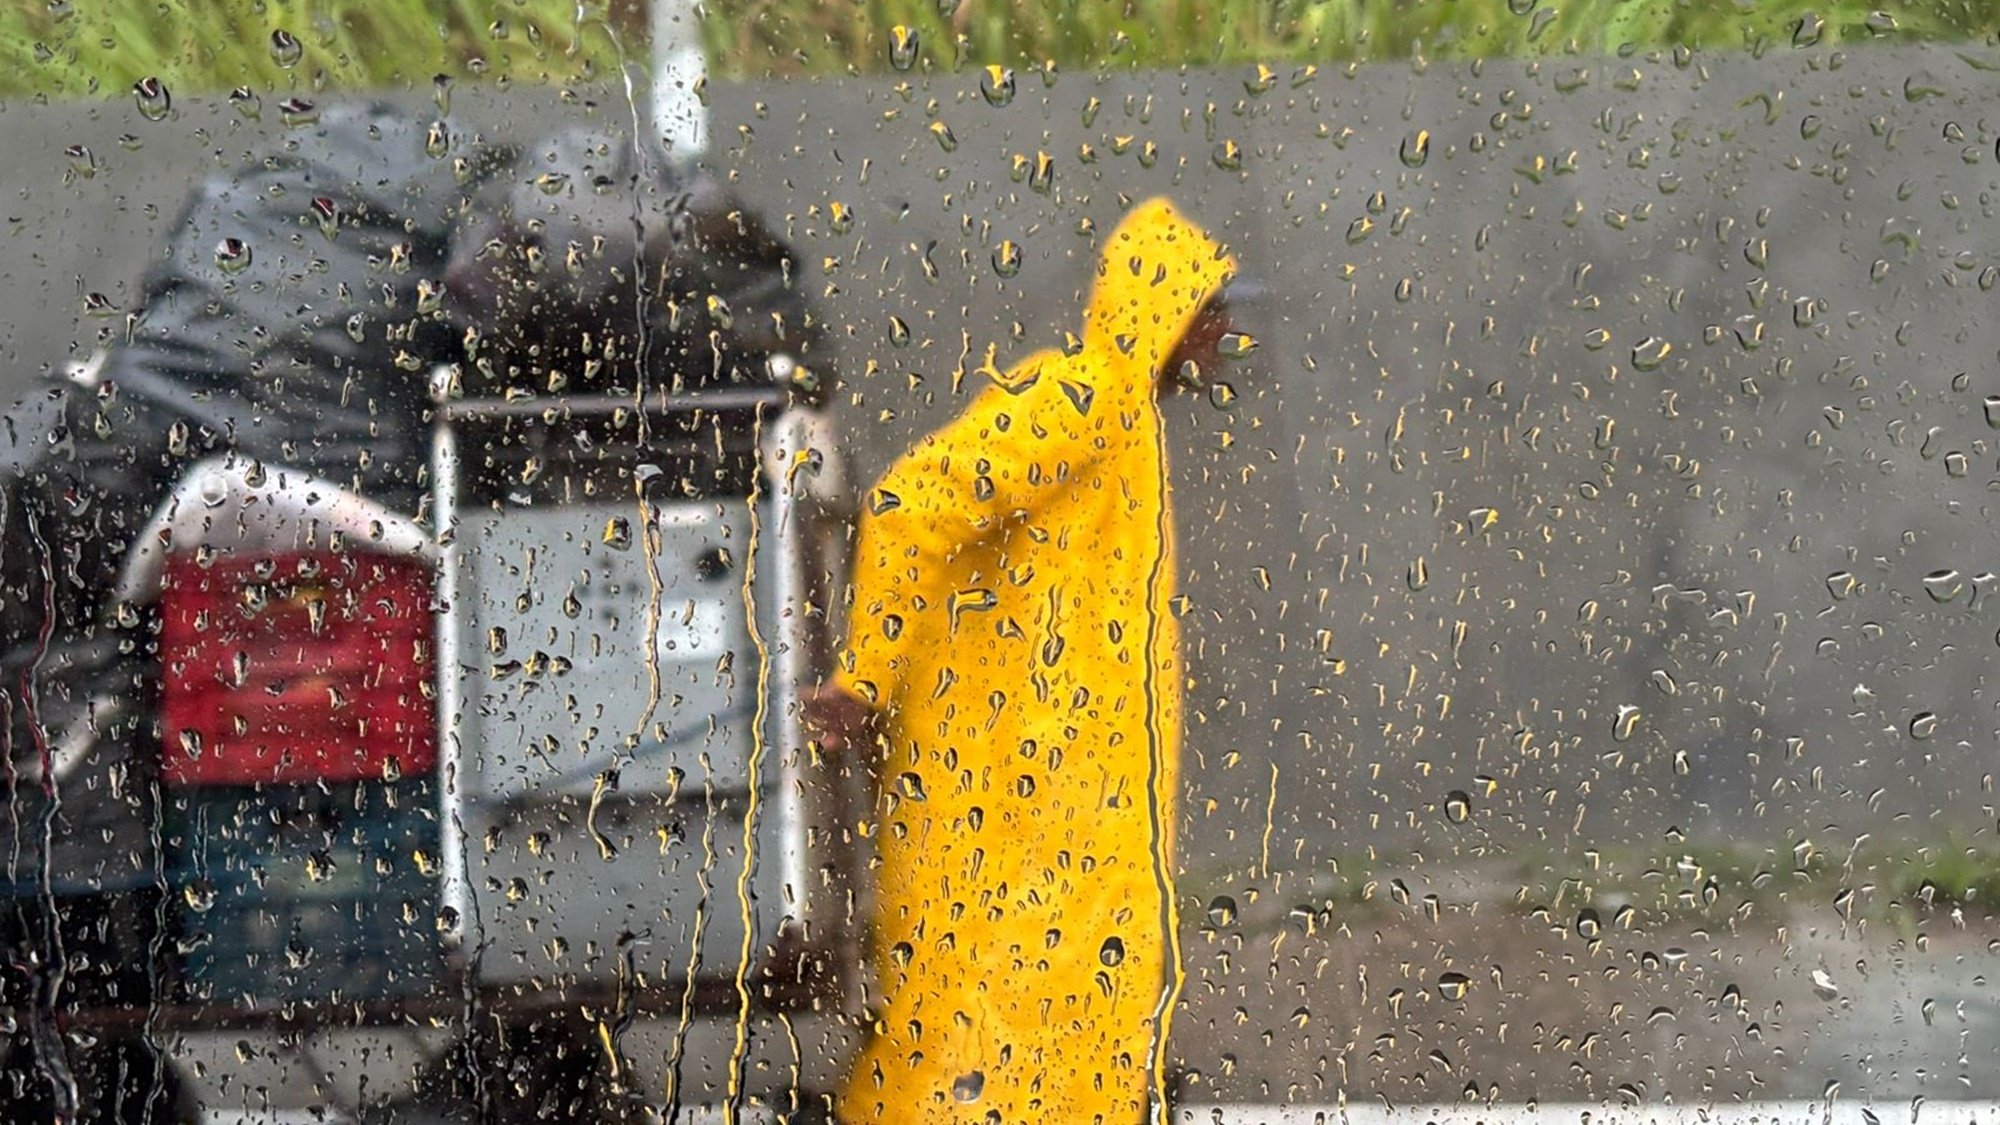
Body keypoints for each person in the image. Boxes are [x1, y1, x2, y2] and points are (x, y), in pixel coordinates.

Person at [809, 196, 1240, 1124]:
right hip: (1000, 788)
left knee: (1071, 1012)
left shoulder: (1126, 430)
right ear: (1166, 310)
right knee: (968, 1015)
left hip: (1074, 801)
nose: (1224, 330)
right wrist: (870, 673)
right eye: (1210, 306)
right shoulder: (1078, 403)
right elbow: (909, 504)